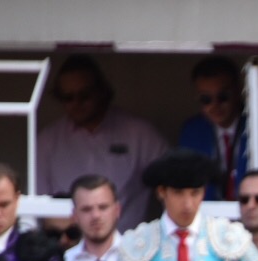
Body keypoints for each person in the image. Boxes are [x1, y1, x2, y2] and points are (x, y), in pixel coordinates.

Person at [109, 149, 258, 261]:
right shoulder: (136, 243)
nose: (188, 204)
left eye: (194, 193)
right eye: (178, 193)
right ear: (162, 192)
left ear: (203, 192)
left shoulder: (231, 237)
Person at [36, 54, 170, 232]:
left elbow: (173, 182)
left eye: (84, 95)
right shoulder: (48, 140)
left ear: (101, 91)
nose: (77, 103)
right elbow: (37, 204)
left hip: (129, 248)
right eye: (68, 97)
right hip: (66, 249)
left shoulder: (140, 134)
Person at [177, 56, 248, 202]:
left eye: (223, 97)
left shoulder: (255, 125)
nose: (215, 105)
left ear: (238, 91)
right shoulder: (192, 131)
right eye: (206, 99)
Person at [60, 174, 123, 261]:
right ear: (75, 216)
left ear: (117, 210)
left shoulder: (137, 259)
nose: (95, 216)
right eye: (86, 209)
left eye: (103, 207)